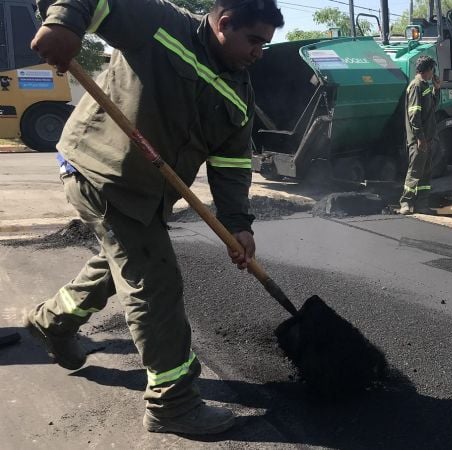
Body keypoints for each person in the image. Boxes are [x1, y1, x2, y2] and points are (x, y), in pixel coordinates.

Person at [23, 0, 284, 435]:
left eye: (264, 44)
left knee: (122, 262)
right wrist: (64, 24)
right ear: (222, 23)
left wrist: (239, 223)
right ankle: (172, 403)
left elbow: (232, 165)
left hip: (149, 193)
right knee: (155, 281)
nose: (259, 52)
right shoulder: (161, 25)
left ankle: (52, 321)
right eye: (253, 40)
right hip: (101, 170)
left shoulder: (239, 92)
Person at [399, 56, 441, 215]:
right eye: (432, 70)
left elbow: (431, 109)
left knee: (425, 173)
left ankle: (422, 205)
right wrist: (420, 138)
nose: (433, 74)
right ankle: (405, 203)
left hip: (427, 138)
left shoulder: (425, 86)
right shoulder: (416, 86)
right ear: (428, 69)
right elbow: (414, 115)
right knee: (415, 171)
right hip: (419, 140)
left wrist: (437, 88)